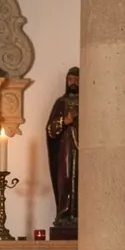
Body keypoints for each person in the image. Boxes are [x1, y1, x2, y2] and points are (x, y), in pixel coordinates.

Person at [46, 67, 79, 225]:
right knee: (65, 179)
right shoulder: (61, 103)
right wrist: (64, 122)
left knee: (82, 180)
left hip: (83, 149)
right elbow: (50, 129)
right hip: (66, 148)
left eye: (77, 80)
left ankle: (82, 215)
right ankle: (64, 214)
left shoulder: (89, 102)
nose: (74, 83)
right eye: (71, 79)